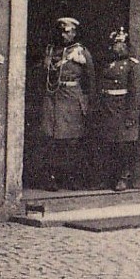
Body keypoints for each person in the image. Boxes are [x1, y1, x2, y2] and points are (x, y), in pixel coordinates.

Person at [40, 17, 95, 190]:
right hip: (52, 98)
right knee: (50, 139)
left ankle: (71, 178)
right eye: (62, 31)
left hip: (71, 99)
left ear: (75, 33)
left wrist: (87, 102)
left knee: (70, 142)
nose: (65, 35)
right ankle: (51, 178)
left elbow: (90, 79)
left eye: (69, 32)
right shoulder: (50, 51)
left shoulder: (80, 52)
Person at [95, 27, 140, 191]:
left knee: (124, 147)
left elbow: (137, 93)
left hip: (123, 111)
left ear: (126, 46)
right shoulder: (109, 64)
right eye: (116, 44)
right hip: (109, 110)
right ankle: (108, 178)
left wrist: (132, 115)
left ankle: (123, 177)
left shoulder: (133, 66)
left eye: (121, 44)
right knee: (109, 146)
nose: (118, 47)